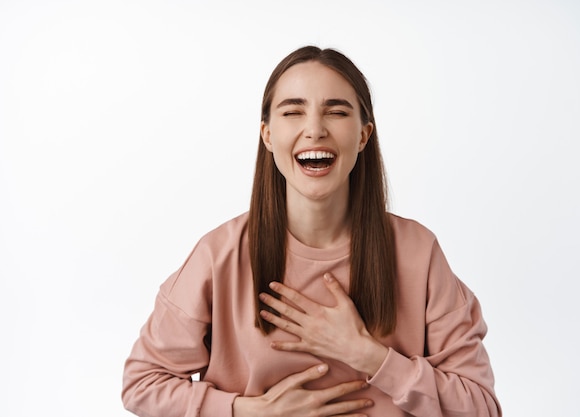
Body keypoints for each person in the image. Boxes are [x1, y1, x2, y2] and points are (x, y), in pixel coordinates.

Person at [122, 45, 502, 417]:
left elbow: (481, 408)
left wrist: (367, 354)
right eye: (293, 112)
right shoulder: (219, 254)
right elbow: (142, 384)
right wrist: (250, 412)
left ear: (363, 135)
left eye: (336, 112)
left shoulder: (418, 252)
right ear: (268, 136)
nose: (315, 129)